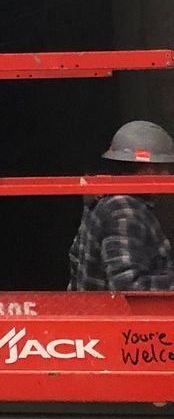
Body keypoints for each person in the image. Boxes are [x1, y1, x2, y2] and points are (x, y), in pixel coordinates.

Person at [69, 121, 174, 291]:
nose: (168, 175)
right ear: (148, 170)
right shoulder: (124, 211)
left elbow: (75, 261)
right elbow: (129, 286)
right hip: (109, 308)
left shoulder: (103, 200)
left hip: (94, 306)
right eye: (163, 169)